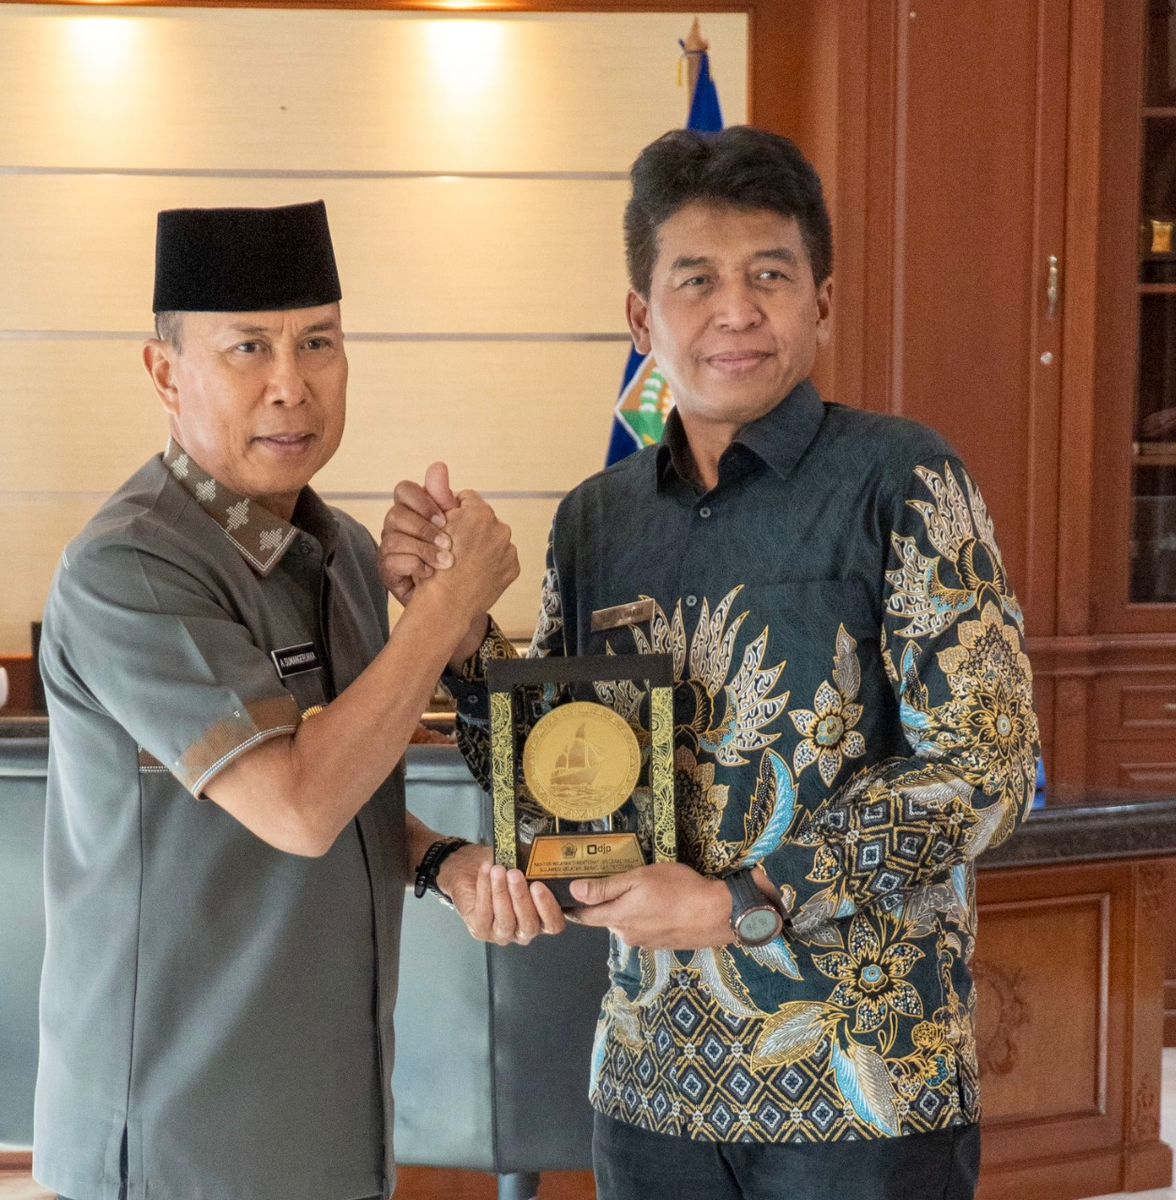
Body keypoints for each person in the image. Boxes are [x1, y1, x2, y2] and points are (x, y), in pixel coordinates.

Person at [380, 127, 1040, 1200]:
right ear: (641, 318)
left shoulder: (903, 479)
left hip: (863, 1085)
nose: (735, 311)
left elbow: (987, 770)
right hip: (651, 1087)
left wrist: (742, 903)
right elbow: (557, 772)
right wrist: (454, 633)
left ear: (822, 301)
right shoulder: (596, 520)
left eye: (769, 275)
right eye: (696, 280)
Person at [34, 202, 559, 1200]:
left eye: (318, 342)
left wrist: (440, 861)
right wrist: (443, 612)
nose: (291, 383)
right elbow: (297, 805)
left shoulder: (344, 553)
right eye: (249, 348)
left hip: (330, 1129)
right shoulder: (130, 565)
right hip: (177, 1142)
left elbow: (345, 786)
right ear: (164, 373)